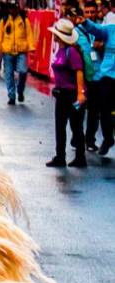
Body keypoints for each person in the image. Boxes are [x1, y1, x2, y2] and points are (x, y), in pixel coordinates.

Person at [49, 17, 89, 167]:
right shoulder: (61, 49)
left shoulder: (71, 51)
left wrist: (80, 93)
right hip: (61, 93)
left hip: (72, 94)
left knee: (76, 126)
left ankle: (80, 157)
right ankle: (60, 156)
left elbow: (79, 71)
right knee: (60, 126)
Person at [78, 2, 113, 154]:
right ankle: (107, 138)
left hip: (102, 74)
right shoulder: (110, 29)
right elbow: (96, 29)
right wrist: (84, 22)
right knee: (103, 109)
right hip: (106, 76)